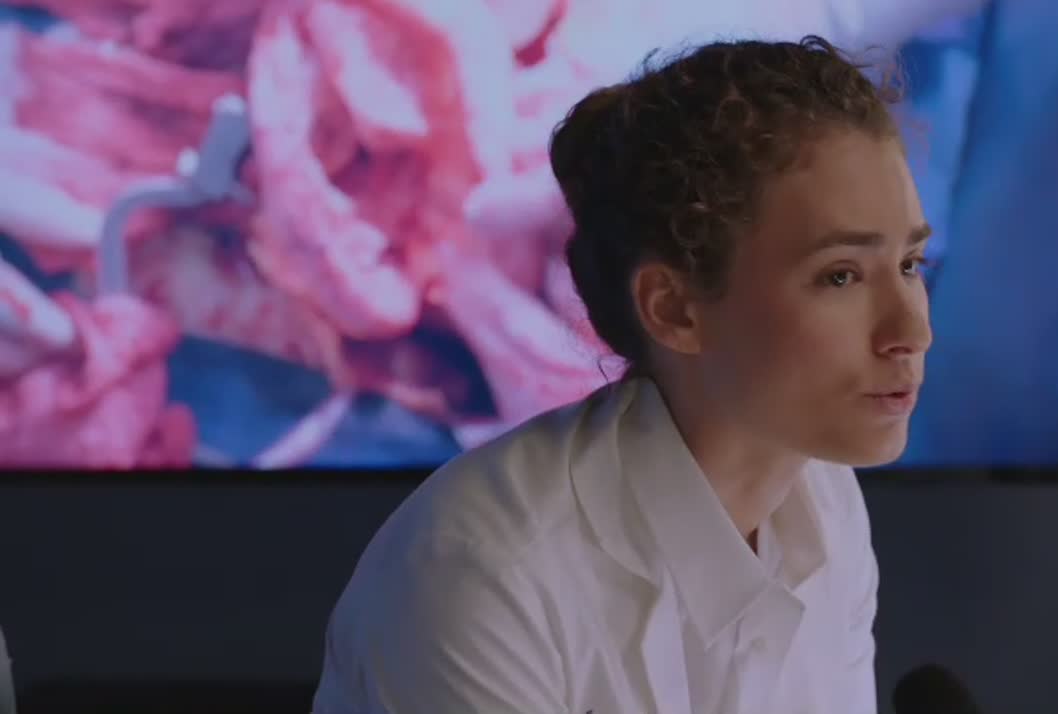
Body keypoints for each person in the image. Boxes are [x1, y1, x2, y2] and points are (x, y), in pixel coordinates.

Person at [313, 35, 932, 714]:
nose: (911, 332)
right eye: (840, 276)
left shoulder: (825, 504)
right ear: (673, 309)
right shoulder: (481, 575)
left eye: (909, 265)